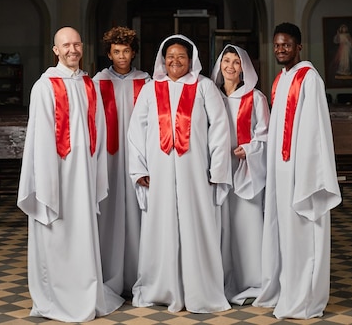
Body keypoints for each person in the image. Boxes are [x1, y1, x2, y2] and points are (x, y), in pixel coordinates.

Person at [17, 27, 123, 322]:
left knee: (82, 232)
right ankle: (57, 296)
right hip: (57, 174)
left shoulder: (87, 83)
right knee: (58, 231)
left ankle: (84, 291)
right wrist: (48, 182)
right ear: (56, 50)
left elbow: (98, 130)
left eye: (77, 44)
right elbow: (40, 138)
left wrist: (96, 169)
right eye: (66, 45)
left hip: (84, 173)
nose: (72, 49)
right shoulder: (44, 86)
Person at [127, 34, 232, 313]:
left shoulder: (204, 87)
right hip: (159, 173)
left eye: (181, 56)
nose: (175, 61)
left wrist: (217, 167)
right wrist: (139, 169)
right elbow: (136, 131)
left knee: (196, 224)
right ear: (163, 59)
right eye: (170, 56)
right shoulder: (151, 89)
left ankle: (199, 289)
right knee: (160, 226)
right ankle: (161, 286)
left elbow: (220, 128)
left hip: (195, 172)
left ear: (191, 59)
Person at [253, 22, 341, 319]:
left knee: (303, 233)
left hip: (301, 170)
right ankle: (288, 289)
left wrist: (307, 174)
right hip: (282, 169)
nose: (281, 49)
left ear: (299, 47)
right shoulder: (282, 79)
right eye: (277, 45)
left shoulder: (309, 78)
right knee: (285, 233)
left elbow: (315, 130)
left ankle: (305, 299)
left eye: (287, 45)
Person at [93, 26, 150, 298]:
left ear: (134, 52)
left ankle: (140, 274)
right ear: (108, 54)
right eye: (116, 52)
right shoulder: (97, 82)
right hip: (109, 159)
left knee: (138, 214)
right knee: (110, 213)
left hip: (138, 158)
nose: (122, 57)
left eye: (126, 51)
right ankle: (110, 273)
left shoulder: (146, 81)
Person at [211, 44, 269, 305]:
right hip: (219, 171)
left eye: (236, 62)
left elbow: (265, 136)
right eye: (226, 61)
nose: (231, 67)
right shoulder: (211, 96)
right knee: (221, 228)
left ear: (244, 68)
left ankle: (253, 281)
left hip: (246, 172)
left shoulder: (255, 98)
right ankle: (221, 279)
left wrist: (247, 149)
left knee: (247, 226)